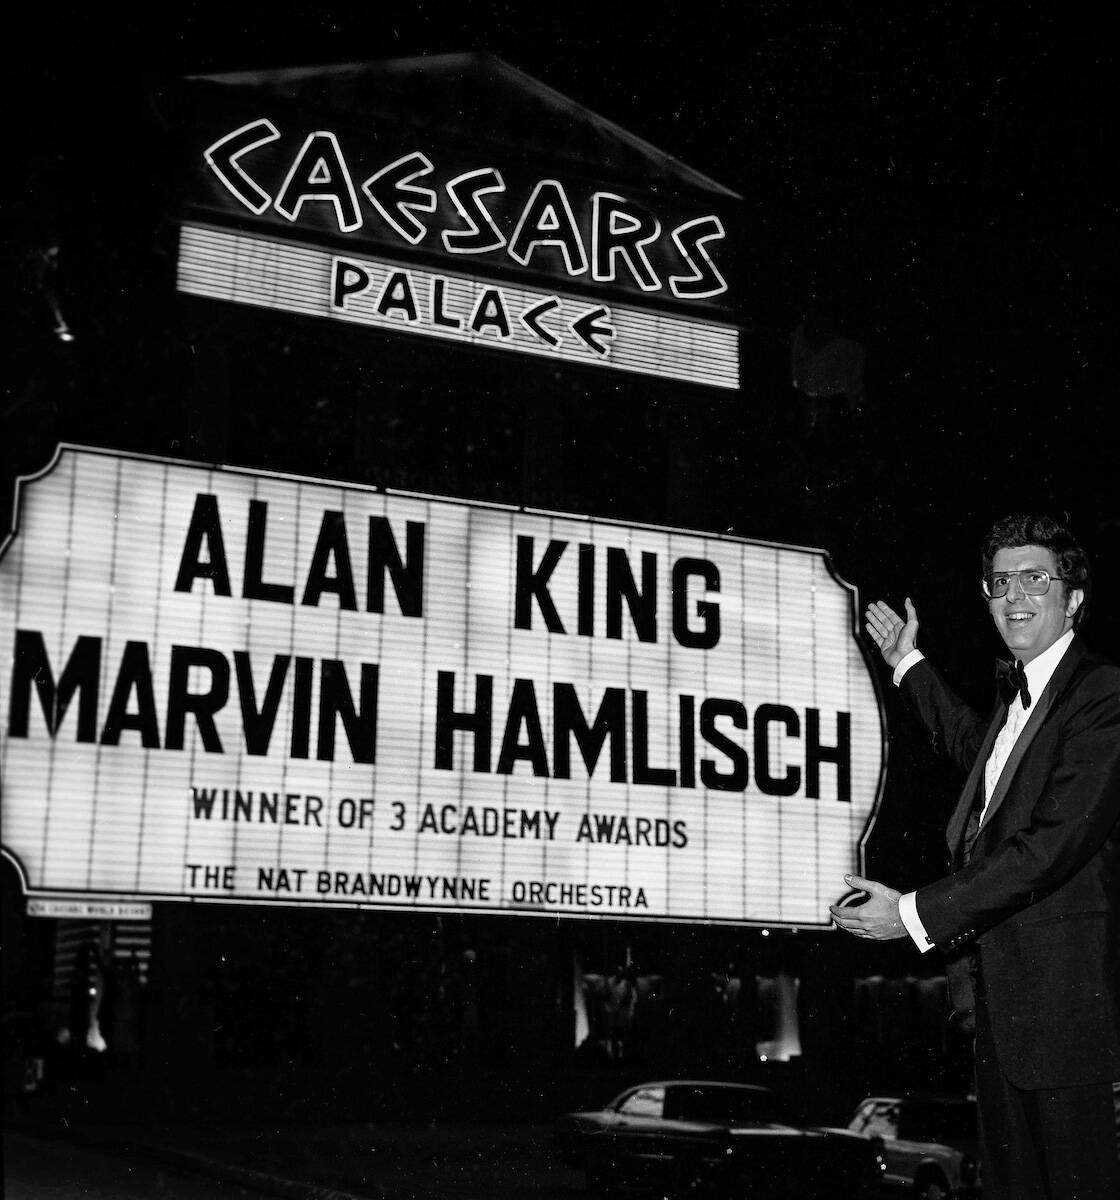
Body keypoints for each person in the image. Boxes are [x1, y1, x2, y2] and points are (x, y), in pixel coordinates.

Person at [830, 513, 1120, 1199]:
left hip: (1066, 1015)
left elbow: (1050, 845)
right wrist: (907, 662)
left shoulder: (1102, 693)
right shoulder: (1019, 698)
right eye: (1000, 582)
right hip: (1000, 1008)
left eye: (1034, 578)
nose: (1014, 595)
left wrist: (912, 913)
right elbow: (974, 750)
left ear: (1073, 598)